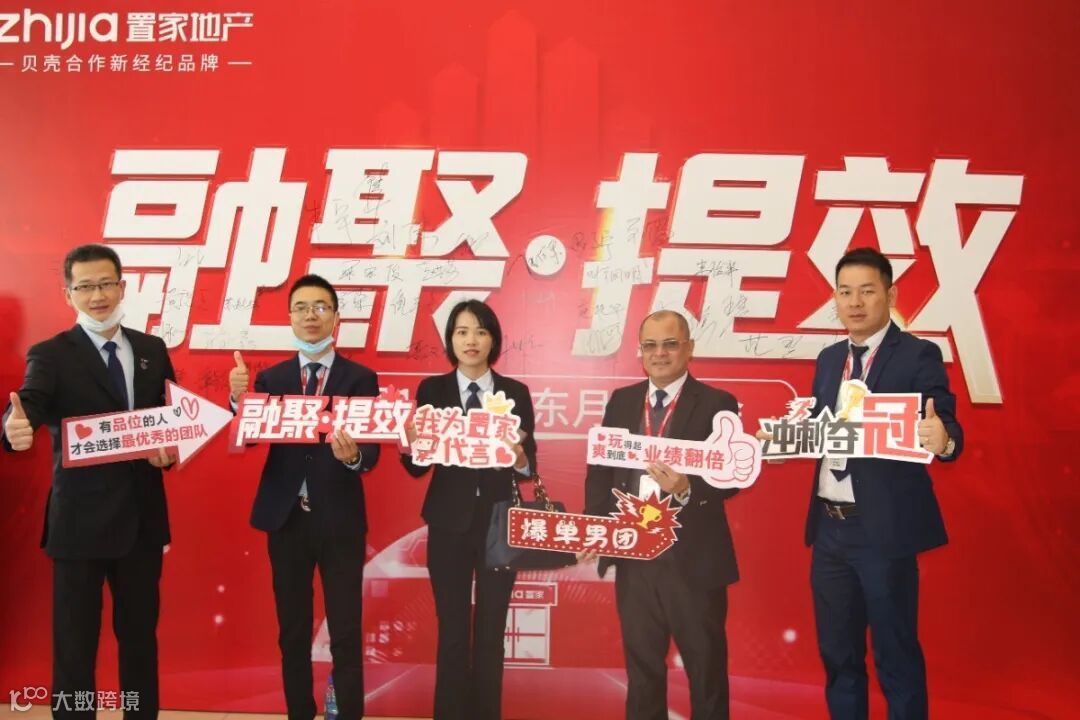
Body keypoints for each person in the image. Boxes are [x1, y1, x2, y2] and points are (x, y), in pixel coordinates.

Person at [2, 243, 176, 719]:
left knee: (139, 640)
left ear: (122, 287)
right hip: (79, 525)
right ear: (68, 294)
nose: (97, 296)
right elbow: (28, 406)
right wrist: (12, 428)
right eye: (85, 287)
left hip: (141, 521)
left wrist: (169, 451)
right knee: (75, 646)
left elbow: (169, 419)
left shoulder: (151, 350)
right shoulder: (51, 354)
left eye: (105, 284)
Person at [805, 247, 962, 719]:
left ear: (890, 295)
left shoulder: (917, 354)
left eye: (867, 291)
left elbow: (944, 421)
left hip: (883, 532)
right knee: (838, 655)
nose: (855, 302)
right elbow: (818, 428)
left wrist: (944, 440)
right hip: (830, 530)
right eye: (845, 292)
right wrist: (781, 437)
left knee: (895, 655)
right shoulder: (829, 359)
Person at [228, 274, 380, 720]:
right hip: (287, 518)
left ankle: (348, 713)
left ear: (336, 317)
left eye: (320, 307)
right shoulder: (271, 378)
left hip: (340, 520)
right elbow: (248, 438)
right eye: (301, 307)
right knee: (292, 629)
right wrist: (239, 400)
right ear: (290, 317)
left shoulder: (360, 378)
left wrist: (353, 457)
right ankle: (300, 711)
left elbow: (370, 453)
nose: (310, 315)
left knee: (345, 628)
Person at [583, 309, 741, 720]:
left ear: (689, 349)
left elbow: (732, 479)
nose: (660, 353)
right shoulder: (622, 401)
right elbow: (600, 472)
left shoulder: (717, 404)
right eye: (650, 345)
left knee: (706, 670)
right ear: (640, 352)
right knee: (642, 672)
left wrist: (688, 487)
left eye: (670, 344)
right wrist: (596, 529)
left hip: (693, 561)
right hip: (634, 559)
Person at [399, 299, 536, 720]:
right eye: (462, 331)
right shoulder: (432, 390)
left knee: (492, 632)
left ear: (493, 339)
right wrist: (412, 442)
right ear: (450, 340)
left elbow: (529, 466)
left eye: (480, 331)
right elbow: (417, 467)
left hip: (499, 524)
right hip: (448, 523)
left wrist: (519, 457)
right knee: (453, 631)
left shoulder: (515, 393)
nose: (471, 340)